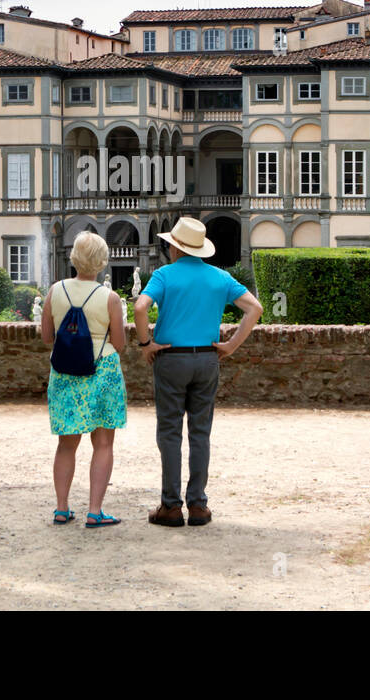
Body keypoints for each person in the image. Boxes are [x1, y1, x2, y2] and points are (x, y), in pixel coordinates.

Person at [134, 217, 262, 527]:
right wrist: (231, 345)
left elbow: (140, 308)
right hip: (207, 358)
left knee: (169, 432)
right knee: (200, 433)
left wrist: (145, 344)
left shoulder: (165, 274)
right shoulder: (219, 277)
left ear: (175, 248)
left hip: (171, 358)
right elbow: (255, 308)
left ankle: (171, 506)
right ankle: (198, 505)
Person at [41, 231, 128, 528]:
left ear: (74, 257)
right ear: (102, 261)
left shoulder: (55, 291)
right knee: (103, 443)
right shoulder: (110, 298)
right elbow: (120, 343)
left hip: (64, 373)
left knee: (67, 444)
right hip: (101, 371)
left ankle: (62, 508)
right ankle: (94, 511)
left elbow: (46, 338)